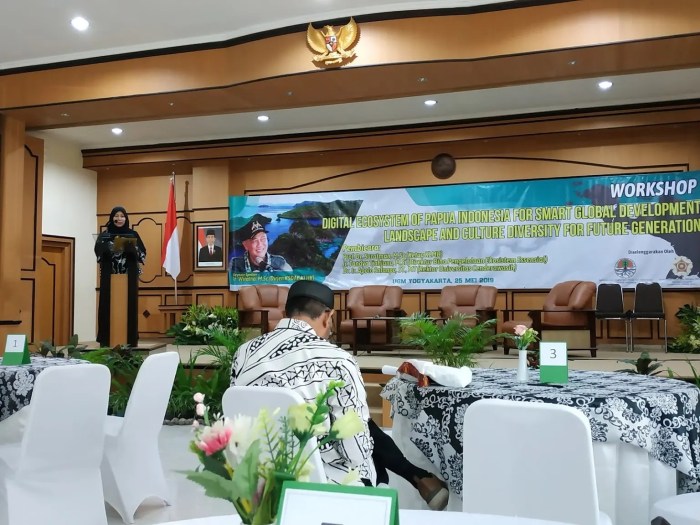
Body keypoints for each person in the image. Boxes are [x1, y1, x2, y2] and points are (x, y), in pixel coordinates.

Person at [230, 280, 449, 510]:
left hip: (258, 478)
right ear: (328, 316)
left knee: (352, 421)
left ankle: (419, 478)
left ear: (287, 313)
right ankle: (418, 477)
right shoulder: (337, 361)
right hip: (322, 484)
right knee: (361, 434)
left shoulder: (243, 354)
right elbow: (355, 452)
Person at [94, 206, 146, 347]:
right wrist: (105, 247)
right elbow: (98, 254)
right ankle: (106, 340)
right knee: (106, 307)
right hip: (109, 279)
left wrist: (131, 247)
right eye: (116, 216)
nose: (119, 219)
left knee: (129, 308)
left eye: (122, 216)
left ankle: (129, 340)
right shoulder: (104, 235)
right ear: (112, 218)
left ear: (126, 218)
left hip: (128, 279)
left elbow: (142, 255)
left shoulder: (133, 234)